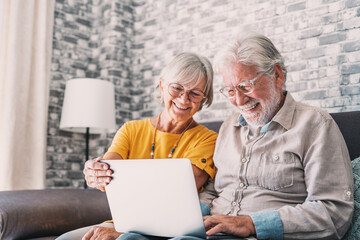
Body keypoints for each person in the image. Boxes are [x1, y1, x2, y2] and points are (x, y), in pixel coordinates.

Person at [199, 32, 354, 240]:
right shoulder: (229, 126)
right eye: (229, 90)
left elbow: (333, 212)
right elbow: (213, 191)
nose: (238, 100)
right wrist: (187, 217)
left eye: (246, 86)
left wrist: (251, 223)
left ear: (277, 76)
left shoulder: (315, 125)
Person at [56, 52, 218, 240]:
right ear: (162, 85)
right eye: (177, 88)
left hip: (171, 230)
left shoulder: (209, 139)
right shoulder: (131, 130)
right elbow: (108, 171)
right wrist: (95, 172)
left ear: (204, 99)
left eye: (195, 93)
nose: (183, 99)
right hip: (122, 223)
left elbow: (176, 197)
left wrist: (123, 233)